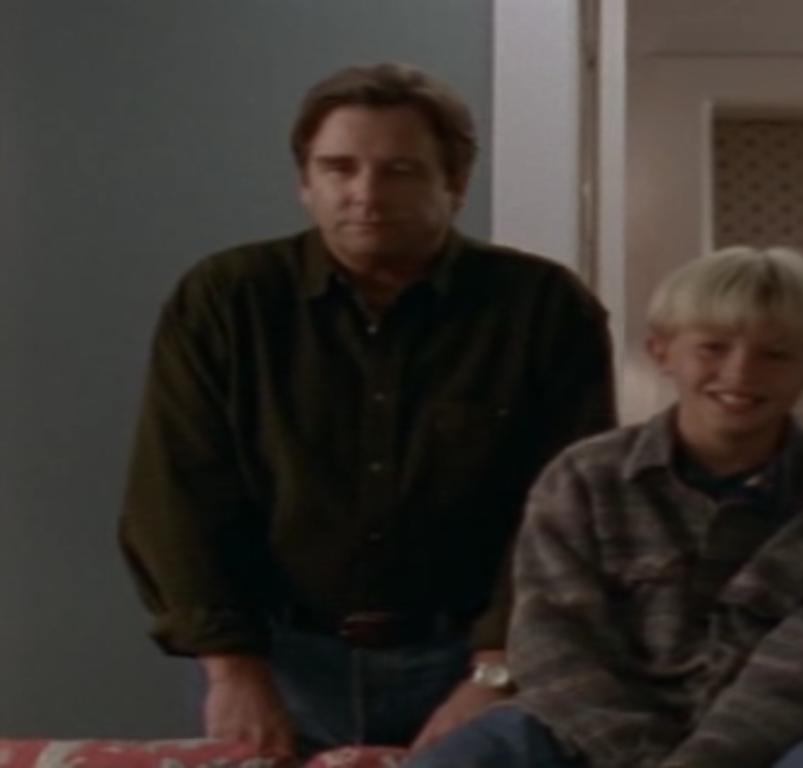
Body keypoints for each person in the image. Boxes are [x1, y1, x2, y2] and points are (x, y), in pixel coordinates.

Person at [119, 62, 616, 756]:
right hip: (278, 657)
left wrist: (496, 668)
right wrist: (231, 668)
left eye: (400, 171)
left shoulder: (543, 309)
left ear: (456, 183)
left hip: (471, 660)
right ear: (305, 182)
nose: (365, 194)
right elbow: (177, 492)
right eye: (338, 168)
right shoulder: (228, 300)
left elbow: (566, 506)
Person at [405, 246, 803, 768]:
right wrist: (639, 757)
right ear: (661, 350)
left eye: (776, 355)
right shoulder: (584, 480)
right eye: (713, 348)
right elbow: (555, 644)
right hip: (593, 727)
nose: (741, 372)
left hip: (795, 731)